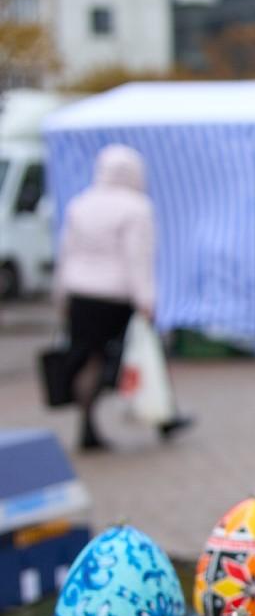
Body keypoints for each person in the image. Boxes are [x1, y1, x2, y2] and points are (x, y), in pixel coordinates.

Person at [53, 145, 190, 450]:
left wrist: (60, 297)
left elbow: (66, 253)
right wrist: (146, 300)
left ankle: (87, 423)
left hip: (80, 292)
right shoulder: (136, 207)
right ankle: (163, 416)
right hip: (116, 294)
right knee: (140, 353)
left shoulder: (80, 204)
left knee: (88, 357)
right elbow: (137, 258)